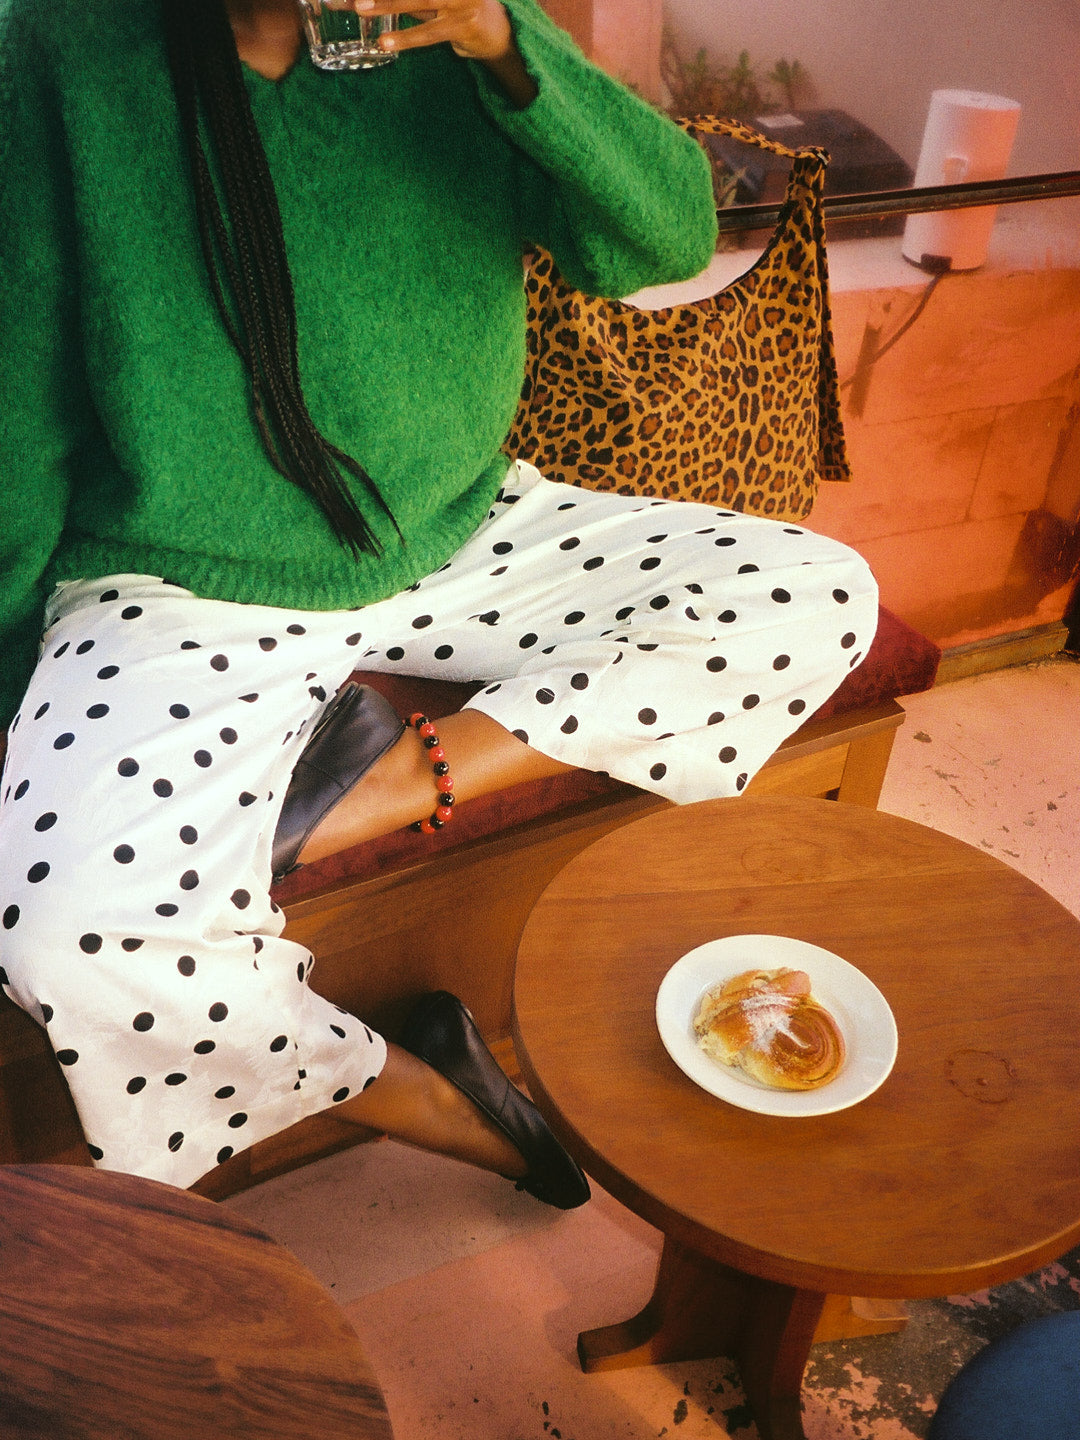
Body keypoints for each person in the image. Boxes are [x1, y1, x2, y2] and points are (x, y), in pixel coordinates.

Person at [0, 0, 878, 1200]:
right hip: (180, 585)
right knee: (65, 937)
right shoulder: (57, 44)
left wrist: (504, 40)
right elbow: (18, 405)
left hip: (468, 529)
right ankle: (438, 1103)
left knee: (814, 591)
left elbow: (670, 235)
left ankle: (372, 782)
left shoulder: (456, 34)